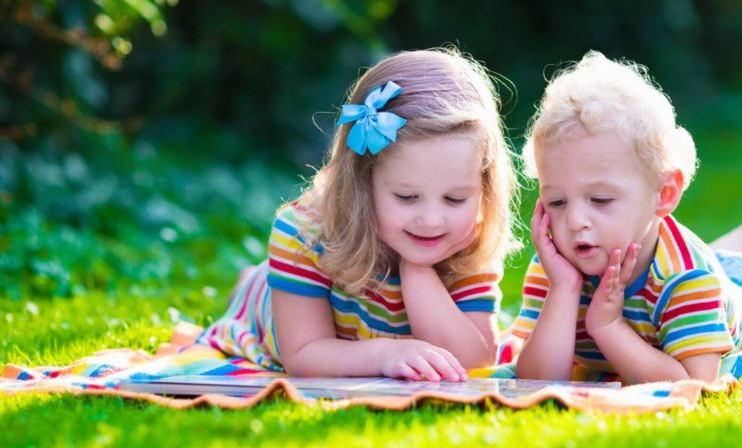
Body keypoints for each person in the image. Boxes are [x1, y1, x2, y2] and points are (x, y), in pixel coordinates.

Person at [195, 48, 519, 382]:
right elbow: (304, 355)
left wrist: (418, 269)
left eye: (454, 199)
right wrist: (385, 354)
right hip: (269, 314)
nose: (432, 220)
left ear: (483, 187)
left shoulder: (466, 239)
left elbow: (475, 359)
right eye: (407, 197)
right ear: (362, 182)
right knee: (261, 291)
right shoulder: (304, 234)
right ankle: (251, 282)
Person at [510, 51, 742, 384]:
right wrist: (564, 290)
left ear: (664, 194)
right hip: (701, 272)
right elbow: (535, 381)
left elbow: (695, 383)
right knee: (718, 263)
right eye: (557, 201)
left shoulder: (687, 278)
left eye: (600, 199)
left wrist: (608, 327)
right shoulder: (557, 267)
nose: (574, 220)